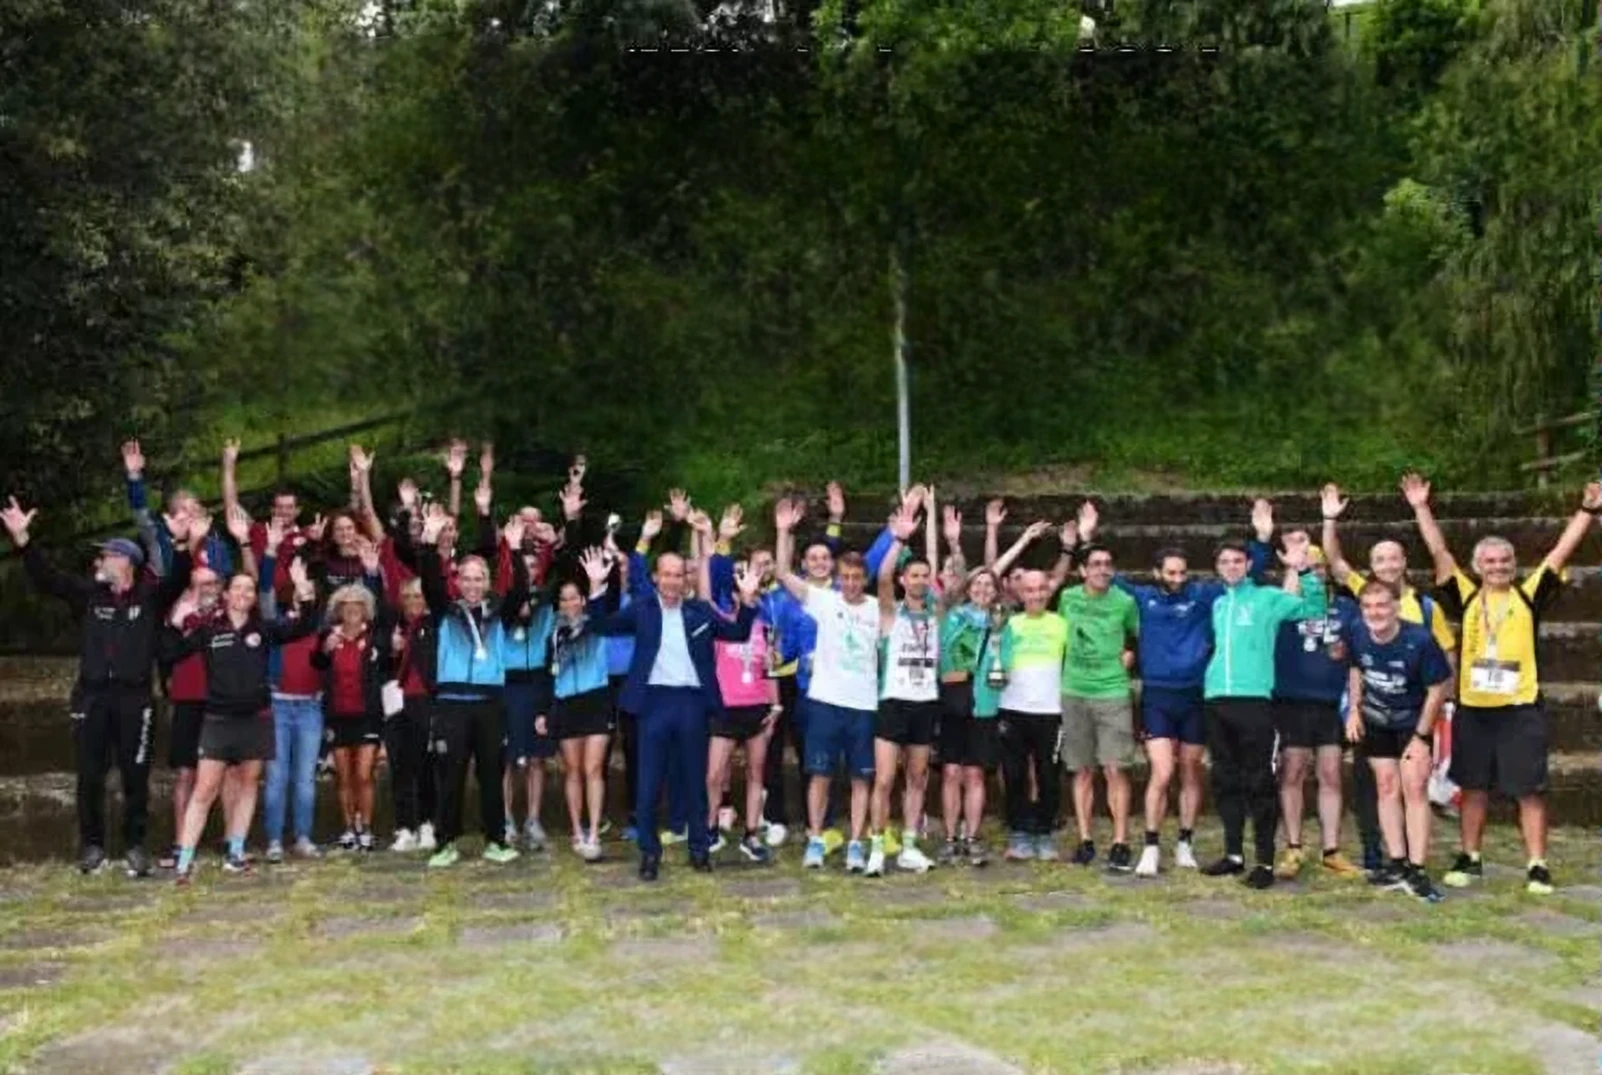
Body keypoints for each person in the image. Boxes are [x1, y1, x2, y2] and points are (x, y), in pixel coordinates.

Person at [1406, 472, 1599, 895]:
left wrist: (1587, 509)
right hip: (1474, 709)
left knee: (1529, 790)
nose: (1497, 567)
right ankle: (1471, 857)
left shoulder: (1529, 594)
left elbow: (1560, 551)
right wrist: (1421, 507)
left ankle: (1536, 864)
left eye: (1504, 562)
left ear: (1513, 566)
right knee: (1472, 786)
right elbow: (1438, 552)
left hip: (1520, 709)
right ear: (1478, 567)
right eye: (1489, 562)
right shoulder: (1467, 595)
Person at [3, 495, 195, 877]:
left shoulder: (150, 598)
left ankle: (136, 847)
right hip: (92, 697)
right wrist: (23, 540)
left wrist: (181, 542)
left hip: (135, 698)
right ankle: (92, 846)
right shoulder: (89, 594)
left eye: (107, 554)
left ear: (125, 562)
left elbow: (178, 580)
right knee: (89, 774)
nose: (101, 560)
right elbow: (48, 579)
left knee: (135, 775)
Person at [1080, 499, 1272, 877]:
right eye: (1171, 572)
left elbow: (1245, 577)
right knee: (1162, 771)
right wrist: (1087, 538)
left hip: (1195, 697)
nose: (1178, 578)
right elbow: (1101, 576)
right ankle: (1151, 846)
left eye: (1183, 572)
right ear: (1157, 572)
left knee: (1189, 770)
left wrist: (1262, 539)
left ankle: (1185, 841)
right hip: (1158, 697)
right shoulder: (1142, 597)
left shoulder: (1203, 596)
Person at [586, 543, 762, 882]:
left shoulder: (700, 610)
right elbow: (602, 626)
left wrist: (749, 599)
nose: (671, 581)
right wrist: (596, 587)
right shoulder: (642, 609)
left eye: (678, 575)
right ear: (655, 578)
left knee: (695, 781)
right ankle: (650, 853)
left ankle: (699, 849)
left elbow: (738, 632)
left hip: (692, 702)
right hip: (652, 702)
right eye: (665, 574)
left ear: (686, 579)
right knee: (649, 783)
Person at [1321, 481, 1459, 870]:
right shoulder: (1367, 593)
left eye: (1393, 558)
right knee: (1373, 785)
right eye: (1379, 560)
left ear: (1404, 562)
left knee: (1413, 785)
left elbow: (1447, 655)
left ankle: (1413, 861)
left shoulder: (1425, 607)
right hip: (1375, 710)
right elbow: (1335, 562)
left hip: (1417, 711)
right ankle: (1374, 851)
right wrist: (1330, 519)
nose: (1387, 565)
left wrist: (1447, 701)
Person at [163, 555, 320, 883]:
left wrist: (306, 595)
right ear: (226, 593)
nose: (244, 595)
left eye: (250, 590)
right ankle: (185, 860)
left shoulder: (262, 628)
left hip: (256, 718)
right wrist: (174, 621)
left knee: (248, 785)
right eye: (238, 588)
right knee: (205, 790)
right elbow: (172, 652)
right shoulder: (208, 628)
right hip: (218, 720)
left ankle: (235, 852)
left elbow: (303, 627)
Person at [1200, 538, 1323, 889]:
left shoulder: (1267, 599)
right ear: (1217, 567)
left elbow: (1312, 609)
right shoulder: (1219, 603)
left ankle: (1265, 861)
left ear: (1248, 564)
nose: (1231, 566)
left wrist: (1302, 570)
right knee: (1225, 780)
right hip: (1216, 700)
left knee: (1259, 782)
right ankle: (1234, 854)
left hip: (1254, 702)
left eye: (1237, 561)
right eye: (1224, 561)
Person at [772, 498, 884, 873]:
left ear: (864, 579)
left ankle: (855, 842)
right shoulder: (824, 601)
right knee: (819, 773)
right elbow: (784, 572)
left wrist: (898, 538)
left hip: (863, 706)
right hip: (823, 702)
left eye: (857, 578)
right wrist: (783, 531)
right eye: (846, 577)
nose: (851, 583)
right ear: (838, 577)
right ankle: (816, 839)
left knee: (860, 778)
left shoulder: (877, 609)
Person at [416, 504, 531, 868]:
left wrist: (512, 549)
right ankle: (445, 842)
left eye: (479, 578)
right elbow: (430, 579)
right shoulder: (445, 611)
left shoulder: (499, 613)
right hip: (452, 702)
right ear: (458, 581)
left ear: (486, 581)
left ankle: (495, 840)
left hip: (490, 703)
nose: (472, 584)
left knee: (491, 774)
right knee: (449, 774)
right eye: (466, 578)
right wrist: (430, 540)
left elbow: (520, 591)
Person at [1256, 531, 1365, 881]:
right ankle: (1293, 846)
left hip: (1330, 703)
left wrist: (1354, 706)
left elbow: (1355, 661)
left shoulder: (1347, 608)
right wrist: (1294, 566)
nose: (1313, 571)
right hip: (1290, 701)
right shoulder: (1284, 603)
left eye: (1317, 565)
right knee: (1292, 772)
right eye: (1306, 565)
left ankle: (1331, 849)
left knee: (1331, 773)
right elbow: (1289, 594)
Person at [1345, 580, 1454, 903]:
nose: (1375, 613)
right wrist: (1353, 709)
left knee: (1415, 789)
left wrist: (1421, 737)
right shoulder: (1356, 631)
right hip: (1377, 721)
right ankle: (1396, 861)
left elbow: (1438, 688)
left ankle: (1417, 868)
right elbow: (1355, 669)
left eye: (1382, 606)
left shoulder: (1419, 640)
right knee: (1386, 788)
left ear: (1395, 607)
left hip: (1412, 722)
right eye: (1368, 606)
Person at [694, 508, 778, 864]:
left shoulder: (762, 620)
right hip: (725, 707)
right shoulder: (720, 617)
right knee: (714, 774)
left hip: (757, 706)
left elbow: (769, 667)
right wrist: (716, 541)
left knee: (756, 772)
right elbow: (702, 591)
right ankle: (711, 828)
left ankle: (751, 833)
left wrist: (775, 707)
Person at [1056, 542, 1140, 871]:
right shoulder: (1067, 598)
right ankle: (1085, 838)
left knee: (1115, 767)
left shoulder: (1125, 602)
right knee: (1082, 769)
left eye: (1107, 564)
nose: (1102, 569)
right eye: (1095, 564)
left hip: (1112, 691)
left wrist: (1132, 653)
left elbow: (1137, 635)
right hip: (1074, 690)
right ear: (1083, 570)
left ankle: (1120, 841)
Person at [868, 505, 940, 876]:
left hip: (925, 703)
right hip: (893, 702)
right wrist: (898, 539)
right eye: (914, 575)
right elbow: (880, 576)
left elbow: (955, 582)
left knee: (917, 777)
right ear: (903, 580)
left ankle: (909, 845)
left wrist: (940, 538)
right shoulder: (889, 613)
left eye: (926, 576)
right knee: (884, 779)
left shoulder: (937, 615)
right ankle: (877, 846)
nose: (921, 581)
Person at [311, 578, 391, 852]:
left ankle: (366, 828)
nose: (352, 611)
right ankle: (348, 829)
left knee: (364, 774)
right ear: (338, 610)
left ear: (366, 609)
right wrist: (325, 649)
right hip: (337, 715)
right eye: (346, 606)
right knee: (343, 777)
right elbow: (316, 662)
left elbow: (389, 665)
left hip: (367, 715)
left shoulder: (375, 638)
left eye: (358, 606)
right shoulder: (329, 637)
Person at [997, 569, 1069, 861]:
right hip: (1013, 708)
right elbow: (996, 664)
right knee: (1014, 775)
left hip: (1051, 711)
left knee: (1049, 775)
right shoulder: (1009, 625)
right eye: (1030, 589)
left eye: (1041, 588)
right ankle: (1019, 832)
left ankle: (1044, 831)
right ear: (1020, 593)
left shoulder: (1061, 624)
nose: (1036, 594)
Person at [937, 566, 1005, 867]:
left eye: (988, 585)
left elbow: (1006, 666)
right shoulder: (953, 617)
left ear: (996, 591)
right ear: (968, 588)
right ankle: (950, 837)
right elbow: (943, 658)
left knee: (975, 774)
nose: (982, 589)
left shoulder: (1003, 623)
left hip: (985, 706)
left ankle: (972, 837)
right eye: (977, 584)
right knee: (951, 772)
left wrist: (997, 673)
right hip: (954, 703)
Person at [543, 577, 614, 861]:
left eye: (575, 598)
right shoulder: (553, 631)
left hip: (596, 699)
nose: (570, 604)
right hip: (566, 703)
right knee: (572, 770)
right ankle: (577, 830)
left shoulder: (596, 621)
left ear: (583, 600)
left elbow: (605, 607)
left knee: (593, 768)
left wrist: (598, 582)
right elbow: (548, 672)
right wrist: (545, 709)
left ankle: (595, 832)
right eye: (564, 599)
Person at [159, 563, 223, 870]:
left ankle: (230, 842)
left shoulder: (228, 613)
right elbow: (167, 655)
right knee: (185, 773)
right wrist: (180, 622)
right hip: (187, 700)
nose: (206, 590)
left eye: (211, 583)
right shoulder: (176, 616)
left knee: (225, 773)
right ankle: (181, 843)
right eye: (199, 584)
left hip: (221, 701)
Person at [387, 578, 439, 852]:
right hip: (395, 703)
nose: (412, 602)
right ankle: (405, 827)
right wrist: (391, 648)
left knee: (426, 766)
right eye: (407, 597)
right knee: (399, 766)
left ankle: (428, 824)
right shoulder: (392, 627)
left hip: (425, 701)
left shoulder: (434, 627)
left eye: (418, 596)